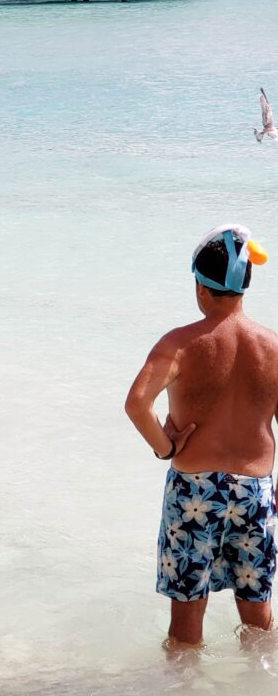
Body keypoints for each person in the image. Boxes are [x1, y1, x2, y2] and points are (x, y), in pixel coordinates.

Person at [125, 224, 278, 647]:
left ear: (200, 286)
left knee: (187, 619)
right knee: (258, 616)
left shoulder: (180, 343)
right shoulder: (272, 346)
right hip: (255, 490)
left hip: (194, 494)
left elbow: (137, 404)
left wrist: (166, 447)